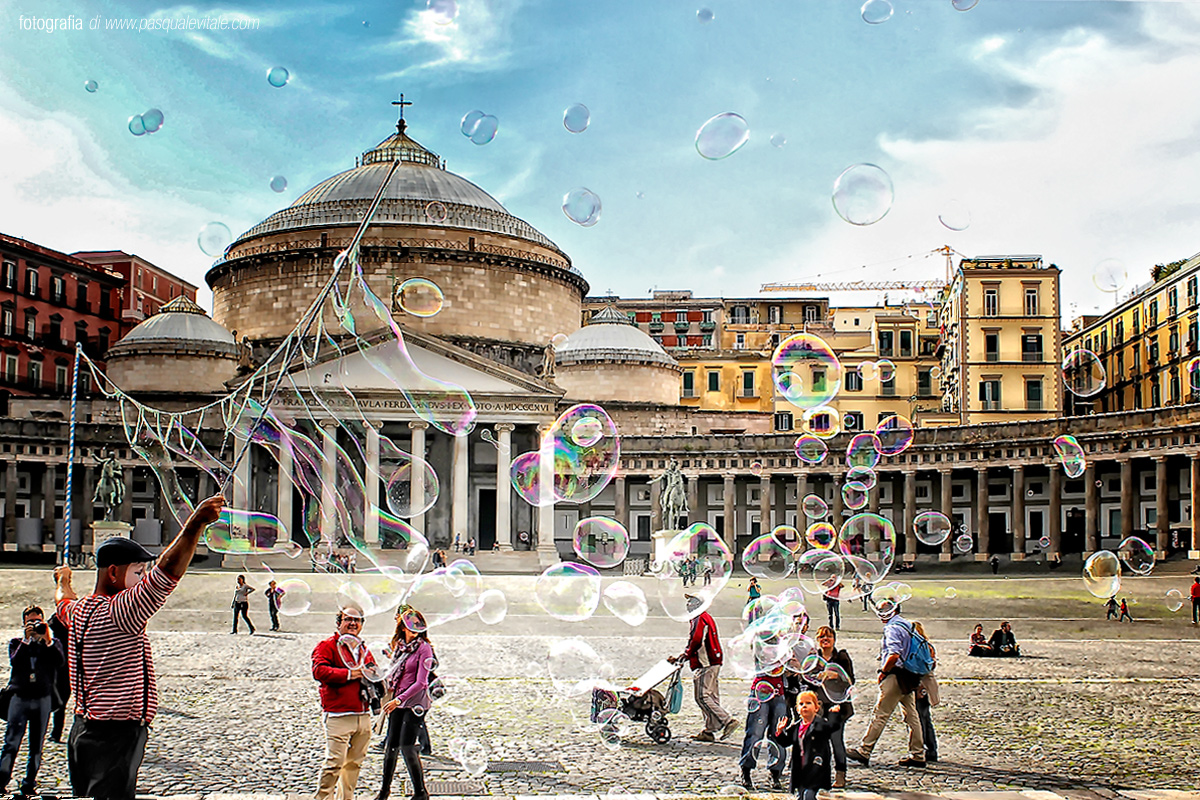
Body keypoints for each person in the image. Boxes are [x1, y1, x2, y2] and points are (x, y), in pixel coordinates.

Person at [54, 494, 225, 800]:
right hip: (115, 734)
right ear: (114, 573)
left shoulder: (78, 611)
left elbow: (62, 599)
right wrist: (195, 524)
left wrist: (62, 579)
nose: (142, 578)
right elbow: (166, 574)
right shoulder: (121, 610)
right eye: (137, 572)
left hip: (82, 731)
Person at [846, 599, 926, 768]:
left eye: (882, 611)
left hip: (895, 676)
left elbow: (894, 655)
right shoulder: (907, 624)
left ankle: (864, 750)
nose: (880, 615)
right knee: (911, 715)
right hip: (908, 675)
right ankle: (918, 754)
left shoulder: (892, 628)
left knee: (880, 713)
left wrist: (883, 671)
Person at [312, 603, 377, 800]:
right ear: (339, 623)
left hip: (362, 714)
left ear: (361, 625)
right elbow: (319, 671)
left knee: (354, 765)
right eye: (348, 619)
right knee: (334, 763)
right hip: (338, 714)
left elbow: (373, 671)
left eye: (356, 620)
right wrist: (351, 674)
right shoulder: (327, 645)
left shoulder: (363, 648)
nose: (352, 623)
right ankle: (323, 798)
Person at [0, 605, 64, 797]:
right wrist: (27, 640)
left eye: (38, 622)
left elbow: (60, 662)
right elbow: (15, 661)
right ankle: (1, 781)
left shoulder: (52, 644)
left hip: (42, 698)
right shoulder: (17, 643)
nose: (34, 626)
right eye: (30, 622)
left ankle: (29, 783)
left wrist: (48, 640)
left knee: (36, 745)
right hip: (20, 698)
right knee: (11, 742)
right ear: (24, 624)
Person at [376, 606, 435, 800]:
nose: (415, 627)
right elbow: (392, 672)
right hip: (397, 700)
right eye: (412, 624)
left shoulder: (424, 648)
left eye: (419, 624)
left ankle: (420, 792)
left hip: (415, 702)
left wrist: (398, 699)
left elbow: (421, 682)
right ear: (403, 627)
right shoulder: (399, 646)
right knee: (391, 745)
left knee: (407, 746)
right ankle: (384, 791)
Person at [668, 594, 738, 742]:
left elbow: (696, 640)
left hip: (705, 662)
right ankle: (709, 730)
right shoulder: (705, 617)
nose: (688, 605)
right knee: (710, 696)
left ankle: (727, 721)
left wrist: (685, 655)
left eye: (691, 602)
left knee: (702, 696)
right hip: (713, 660)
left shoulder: (699, 618)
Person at [737, 640, 789, 791]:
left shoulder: (784, 644)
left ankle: (775, 772)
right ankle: (746, 770)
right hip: (761, 691)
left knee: (778, 734)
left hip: (779, 693)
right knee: (755, 733)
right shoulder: (760, 643)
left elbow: (789, 668)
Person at [807, 626, 854, 788]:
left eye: (828, 637)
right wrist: (814, 677)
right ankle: (820, 774)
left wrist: (835, 675)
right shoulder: (813, 657)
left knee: (836, 740)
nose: (825, 640)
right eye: (821, 637)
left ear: (834, 639)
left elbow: (850, 680)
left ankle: (841, 775)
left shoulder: (841, 656)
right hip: (819, 707)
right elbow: (805, 679)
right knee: (818, 743)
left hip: (837, 706)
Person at [775, 691, 835, 800]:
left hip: (816, 768)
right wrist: (779, 732)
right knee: (801, 796)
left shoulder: (821, 724)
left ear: (816, 708)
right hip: (800, 769)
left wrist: (834, 715)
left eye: (808, 703)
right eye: (801, 704)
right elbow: (785, 742)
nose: (805, 706)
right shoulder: (796, 727)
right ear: (797, 709)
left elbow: (830, 730)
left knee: (809, 796)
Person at [912, 621, 939, 763]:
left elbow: (925, 668)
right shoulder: (926, 646)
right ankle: (929, 750)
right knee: (924, 719)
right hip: (924, 687)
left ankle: (925, 750)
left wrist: (920, 687)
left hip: (921, 688)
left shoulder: (922, 647)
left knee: (921, 720)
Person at [47, 610, 70, 744]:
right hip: (62, 667)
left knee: (60, 702)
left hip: (65, 668)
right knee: (60, 703)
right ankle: (56, 732)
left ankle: (56, 733)